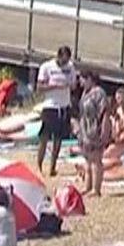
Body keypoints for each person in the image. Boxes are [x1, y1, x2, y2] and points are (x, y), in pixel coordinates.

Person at [35, 46, 76, 176]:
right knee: (44, 137)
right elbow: (40, 87)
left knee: (58, 139)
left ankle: (53, 166)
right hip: (50, 105)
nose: (65, 63)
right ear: (58, 56)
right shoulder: (47, 67)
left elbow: (74, 84)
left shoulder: (70, 67)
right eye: (63, 60)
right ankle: (39, 166)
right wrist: (55, 86)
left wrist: (69, 85)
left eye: (67, 60)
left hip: (64, 105)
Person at [76, 70, 111, 197]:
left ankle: (96, 189)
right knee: (88, 160)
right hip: (85, 130)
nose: (80, 82)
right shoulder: (85, 93)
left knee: (96, 160)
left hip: (95, 129)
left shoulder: (99, 93)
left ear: (90, 79)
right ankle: (88, 186)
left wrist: (104, 131)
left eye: (82, 79)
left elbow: (105, 112)